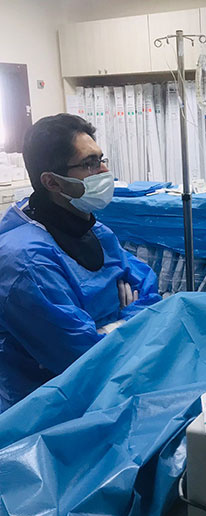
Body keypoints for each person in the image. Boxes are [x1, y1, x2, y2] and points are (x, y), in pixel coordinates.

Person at [0, 114, 160, 411]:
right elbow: (80, 356)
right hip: (47, 406)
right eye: (90, 164)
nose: (105, 171)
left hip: (113, 376)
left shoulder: (95, 230)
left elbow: (149, 289)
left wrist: (111, 327)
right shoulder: (24, 263)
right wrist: (127, 319)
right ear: (52, 181)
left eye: (102, 159)